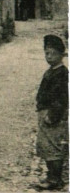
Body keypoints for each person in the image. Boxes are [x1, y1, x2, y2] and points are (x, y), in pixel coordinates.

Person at [34, 34, 68, 191]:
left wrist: (52, 116)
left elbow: (61, 99)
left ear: (62, 54)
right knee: (46, 146)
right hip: (44, 114)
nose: (48, 56)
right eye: (46, 53)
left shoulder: (62, 74)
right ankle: (51, 175)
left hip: (53, 116)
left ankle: (55, 178)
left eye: (52, 53)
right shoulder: (51, 71)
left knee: (54, 147)